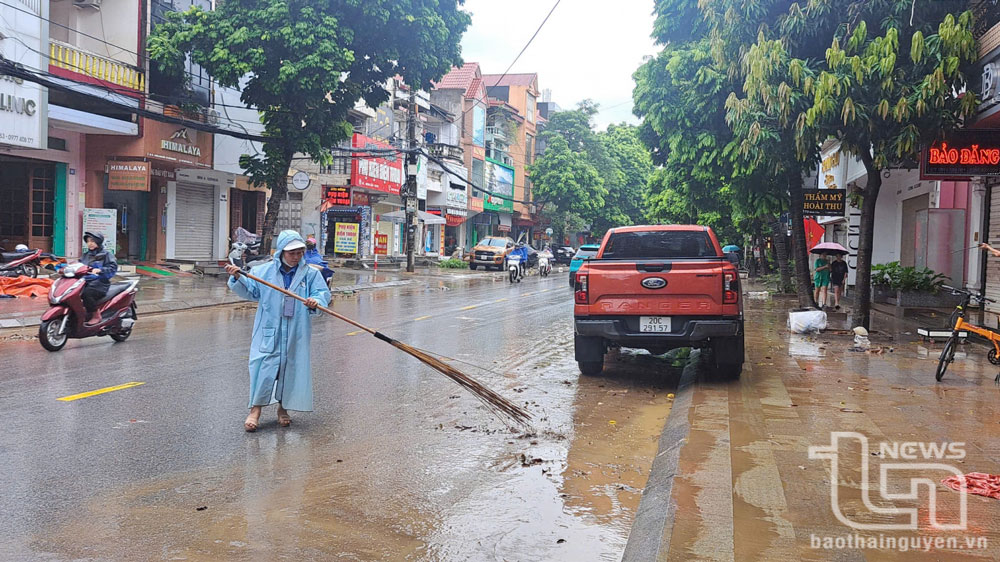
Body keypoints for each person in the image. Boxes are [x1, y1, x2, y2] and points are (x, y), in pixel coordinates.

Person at [224, 230, 332, 432]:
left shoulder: (310, 274)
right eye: (292, 253)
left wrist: (315, 302)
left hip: (295, 331)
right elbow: (252, 291)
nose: (296, 256)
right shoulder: (263, 272)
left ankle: (283, 409)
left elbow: (321, 294)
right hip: (269, 329)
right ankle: (255, 410)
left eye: (300, 252)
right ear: (282, 251)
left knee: (290, 368)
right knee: (263, 369)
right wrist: (238, 277)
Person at [80, 232, 118, 324]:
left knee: (86, 293)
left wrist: (100, 270)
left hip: (100, 283)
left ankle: (96, 315)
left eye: (92, 241)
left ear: (98, 241)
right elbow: (79, 266)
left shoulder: (106, 254)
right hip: (85, 281)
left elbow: (113, 268)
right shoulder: (85, 255)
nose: (90, 243)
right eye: (88, 241)